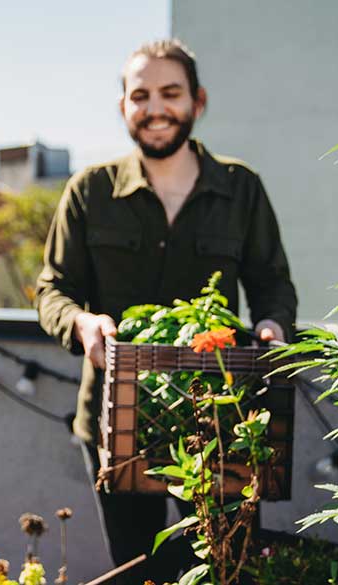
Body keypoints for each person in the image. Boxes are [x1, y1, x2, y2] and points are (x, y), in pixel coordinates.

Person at [36, 39, 298, 583]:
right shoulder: (90, 190)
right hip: (117, 417)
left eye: (170, 93)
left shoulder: (241, 188)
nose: (155, 108)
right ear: (123, 107)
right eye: (141, 96)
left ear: (197, 101)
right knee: (139, 571)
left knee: (227, 566)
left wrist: (273, 327)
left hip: (220, 420)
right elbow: (52, 290)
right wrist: (82, 323)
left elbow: (272, 284)